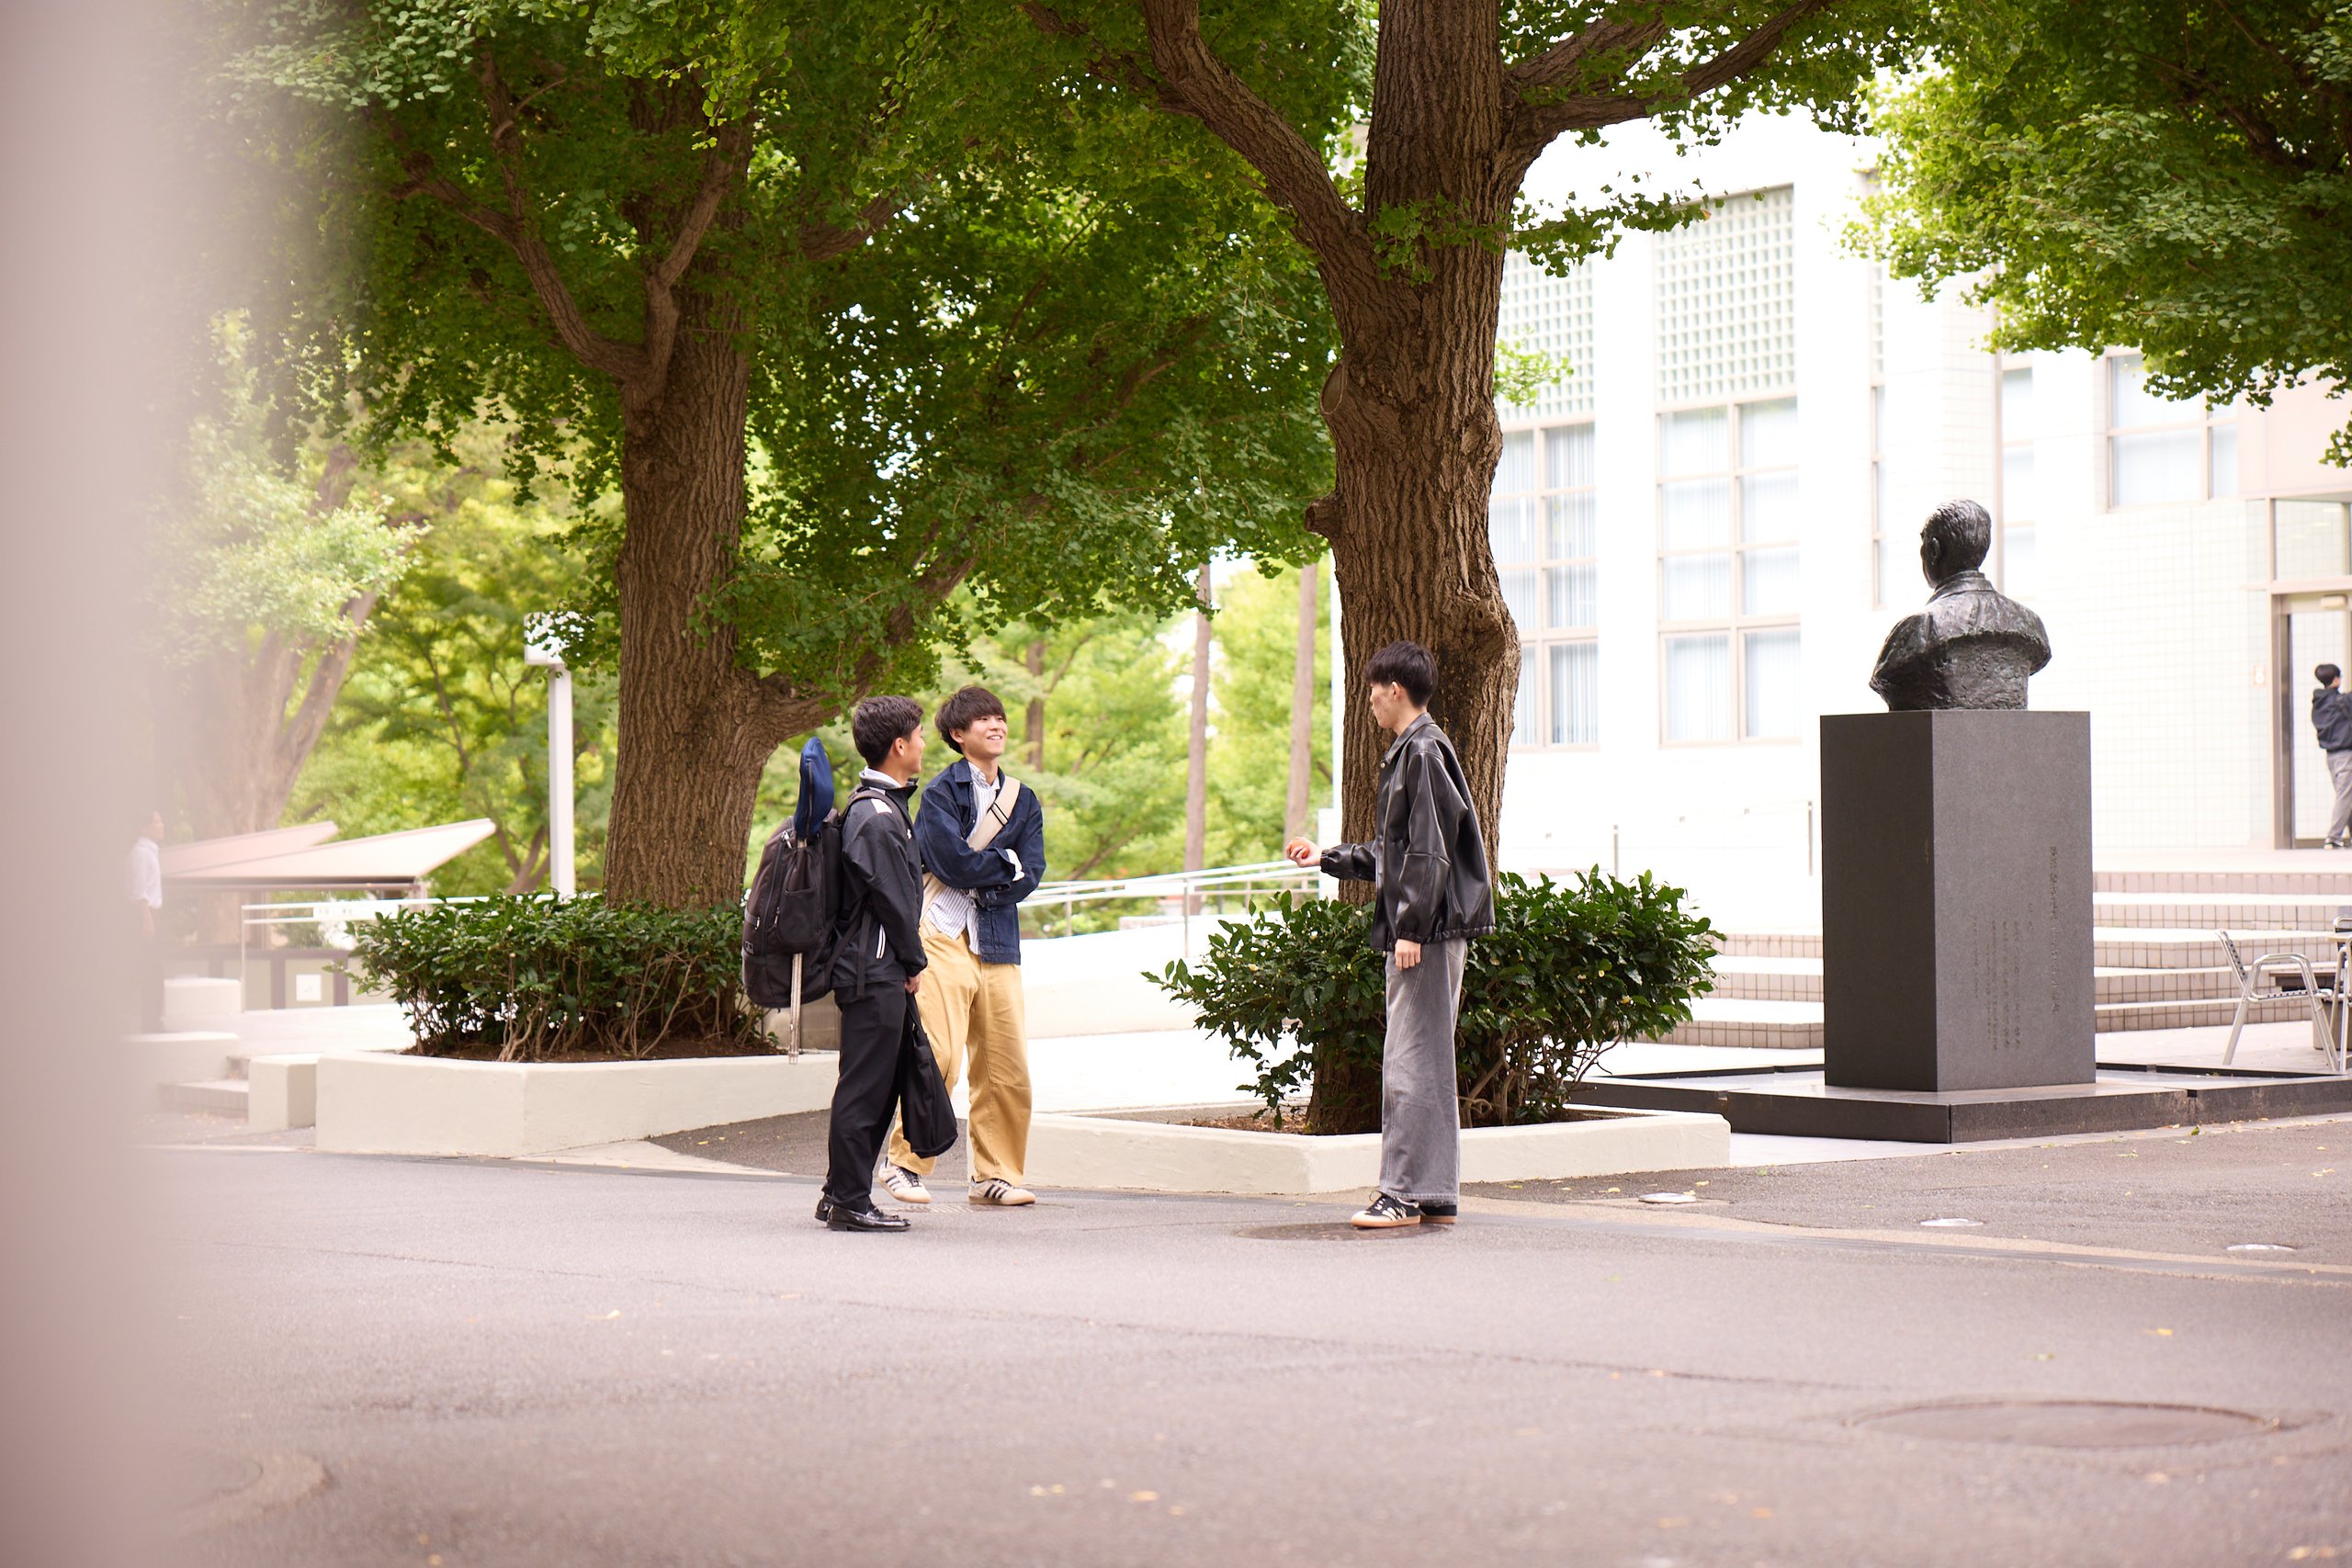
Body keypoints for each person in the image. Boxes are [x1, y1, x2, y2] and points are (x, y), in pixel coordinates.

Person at [1284, 640, 1494, 1229]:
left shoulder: (1422, 752)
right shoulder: (1417, 750)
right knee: (1423, 1061)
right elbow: (1400, 853)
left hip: (1424, 932)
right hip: (1429, 927)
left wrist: (1411, 928)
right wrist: (1328, 858)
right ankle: (1431, 1193)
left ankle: (1402, 1193)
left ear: (1394, 690)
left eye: (1373, 689)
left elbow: (1431, 851)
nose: (1368, 700)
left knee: (1410, 1062)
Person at [880, 685, 1047, 1208]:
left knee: (1006, 1065)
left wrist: (1003, 871)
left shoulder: (1024, 797)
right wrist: (1006, 864)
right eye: (983, 720)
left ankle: (994, 1175)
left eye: (1000, 718)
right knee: (941, 1053)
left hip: (997, 939)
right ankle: (904, 1162)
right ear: (959, 734)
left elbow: (1034, 870)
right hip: (942, 933)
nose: (996, 726)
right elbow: (949, 862)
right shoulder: (940, 792)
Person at [816, 697, 931, 1234]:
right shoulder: (876, 815)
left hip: (875, 968)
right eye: (920, 736)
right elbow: (894, 902)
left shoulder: (878, 807)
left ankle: (841, 1192)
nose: (925, 744)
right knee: (866, 1087)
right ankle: (847, 1200)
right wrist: (913, 962)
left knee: (874, 1084)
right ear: (899, 746)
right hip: (874, 970)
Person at [125, 809, 164, 1032]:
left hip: (151, 913)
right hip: (145, 914)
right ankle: (150, 1021)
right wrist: (146, 918)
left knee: (151, 968)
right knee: (149, 968)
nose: (162, 825)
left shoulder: (151, 851)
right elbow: (139, 890)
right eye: (157, 822)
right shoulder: (141, 852)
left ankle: (152, 1020)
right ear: (144, 827)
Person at [2313, 664, 2352, 849]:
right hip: (2346, 754)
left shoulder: (2318, 704)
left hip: (2331, 757)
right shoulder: (2341, 701)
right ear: (2336, 679)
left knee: (2346, 794)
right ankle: (2333, 837)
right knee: (2345, 795)